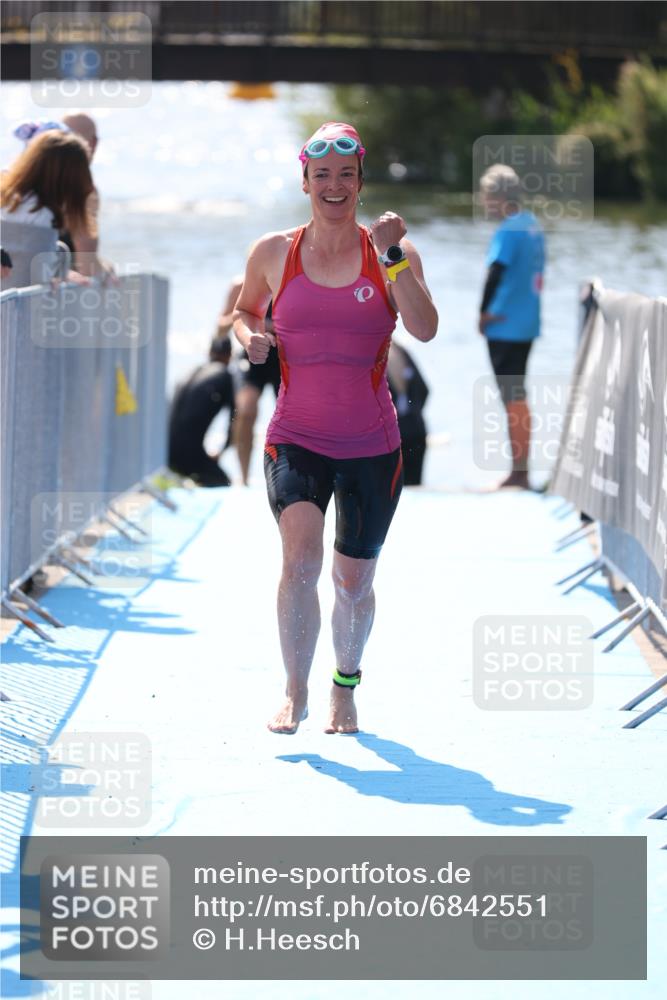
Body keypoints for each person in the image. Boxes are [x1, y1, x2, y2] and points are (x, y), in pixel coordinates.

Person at [232, 121, 437, 735]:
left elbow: (424, 328)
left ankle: (344, 685)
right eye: (322, 175)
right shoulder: (274, 252)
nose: (334, 185)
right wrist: (250, 337)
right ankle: (294, 689)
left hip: (372, 445)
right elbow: (243, 311)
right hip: (295, 435)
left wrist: (393, 257)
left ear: (361, 182)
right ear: (305, 182)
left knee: (352, 581)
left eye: (346, 175)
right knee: (299, 558)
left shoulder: (391, 253)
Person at [478, 163, 545, 489]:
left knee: (512, 396)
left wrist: (482, 313)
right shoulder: (532, 224)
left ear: (499, 197)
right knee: (518, 393)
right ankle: (522, 470)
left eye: (486, 196)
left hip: (504, 323)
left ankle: (519, 473)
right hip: (527, 322)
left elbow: (496, 272)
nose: (484, 203)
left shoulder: (508, 230)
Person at [1, 129, 95, 287]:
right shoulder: (42, 214)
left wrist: (61, 271)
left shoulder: (9, 199)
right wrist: (57, 274)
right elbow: (34, 274)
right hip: (16, 301)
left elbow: (21, 256)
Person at [217, 276, 281, 484]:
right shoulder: (240, 285)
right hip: (252, 357)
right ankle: (244, 478)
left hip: (283, 358)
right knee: (245, 411)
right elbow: (220, 328)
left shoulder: (286, 277)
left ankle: (290, 473)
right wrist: (243, 318)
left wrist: (276, 326)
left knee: (294, 416)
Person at [168, 336, 235, 487]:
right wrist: (222, 450)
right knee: (223, 482)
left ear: (209, 352)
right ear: (229, 355)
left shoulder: (190, 371)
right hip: (189, 456)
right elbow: (235, 418)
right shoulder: (225, 376)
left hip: (164, 452)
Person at [386, 342, 430, 485]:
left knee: (389, 488)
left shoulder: (372, 353)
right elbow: (424, 390)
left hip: (389, 436)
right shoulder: (400, 350)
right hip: (415, 428)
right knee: (413, 488)